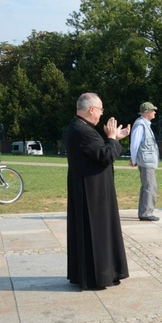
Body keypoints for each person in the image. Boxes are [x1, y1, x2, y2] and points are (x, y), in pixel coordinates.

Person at [66, 92, 131, 290]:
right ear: (92, 109)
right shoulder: (83, 131)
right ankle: (97, 276)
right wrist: (112, 139)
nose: (102, 114)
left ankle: (96, 273)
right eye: (101, 110)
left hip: (90, 189)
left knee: (95, 232)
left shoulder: (79, 128)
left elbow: (97, 152)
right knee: (96, 232)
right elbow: (104, 156)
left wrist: (114, 139)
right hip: (91, 193)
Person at [129, 102, 160, 221]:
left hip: (147, 160)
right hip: (146, 161)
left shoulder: (144, 124)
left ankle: (144, 211)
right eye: (153, 110)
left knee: (147, 186)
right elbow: (134, 144)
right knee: (150, 186)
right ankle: (146, 213)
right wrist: (133, 159)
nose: (154, 112)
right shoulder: (140, 125)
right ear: (146, 112)